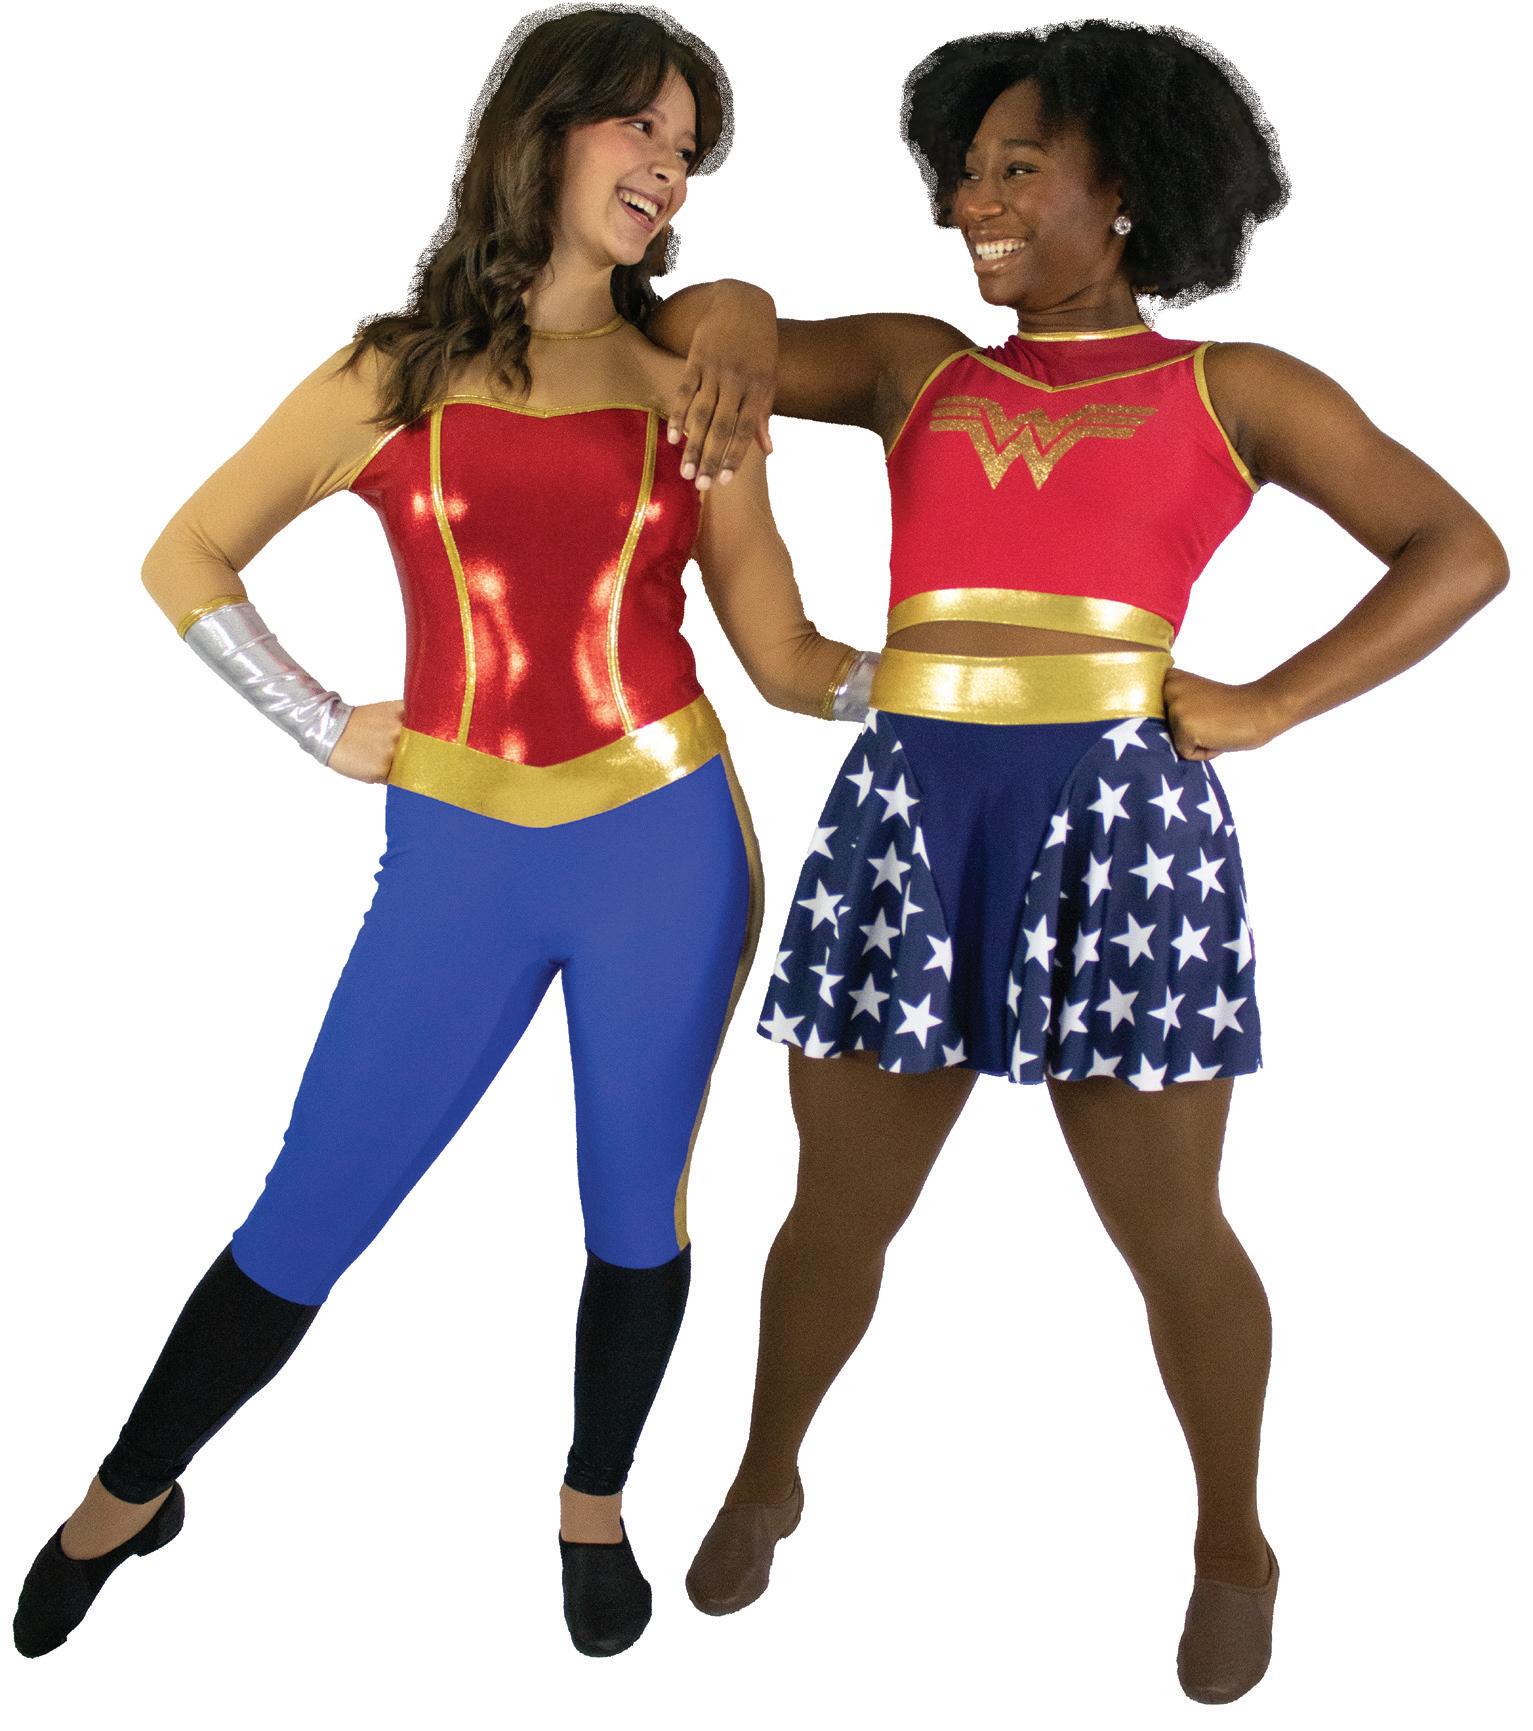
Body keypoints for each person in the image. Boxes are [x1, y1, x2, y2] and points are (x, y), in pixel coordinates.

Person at [649, 19, 1508, 1704]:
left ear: (1126, 186)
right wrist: (735, 301)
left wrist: (1267, 702)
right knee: (836, 1205)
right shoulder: (918, 370)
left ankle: (1233, 1542)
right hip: (908, 816)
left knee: (1171, 1228)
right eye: (961, 171)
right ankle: (765, 1472)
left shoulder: (1232, 389)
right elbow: (680, 328)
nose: (969, 201)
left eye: (1015, 168)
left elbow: (1456, 548)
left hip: (1123, 836)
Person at [12, 5, 873, 1664]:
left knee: (635, 1210)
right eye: (640, 126)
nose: (668, 167)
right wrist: (317, 719)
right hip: (457, 863)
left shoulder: (696, 389)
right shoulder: (390, 373)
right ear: (541, 130)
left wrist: (968, 685)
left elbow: (781, 657)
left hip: (664, 848)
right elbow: (185, 555)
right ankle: (126, 1492)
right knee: (308, 1208)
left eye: (689, 149)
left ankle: (592, 1506)